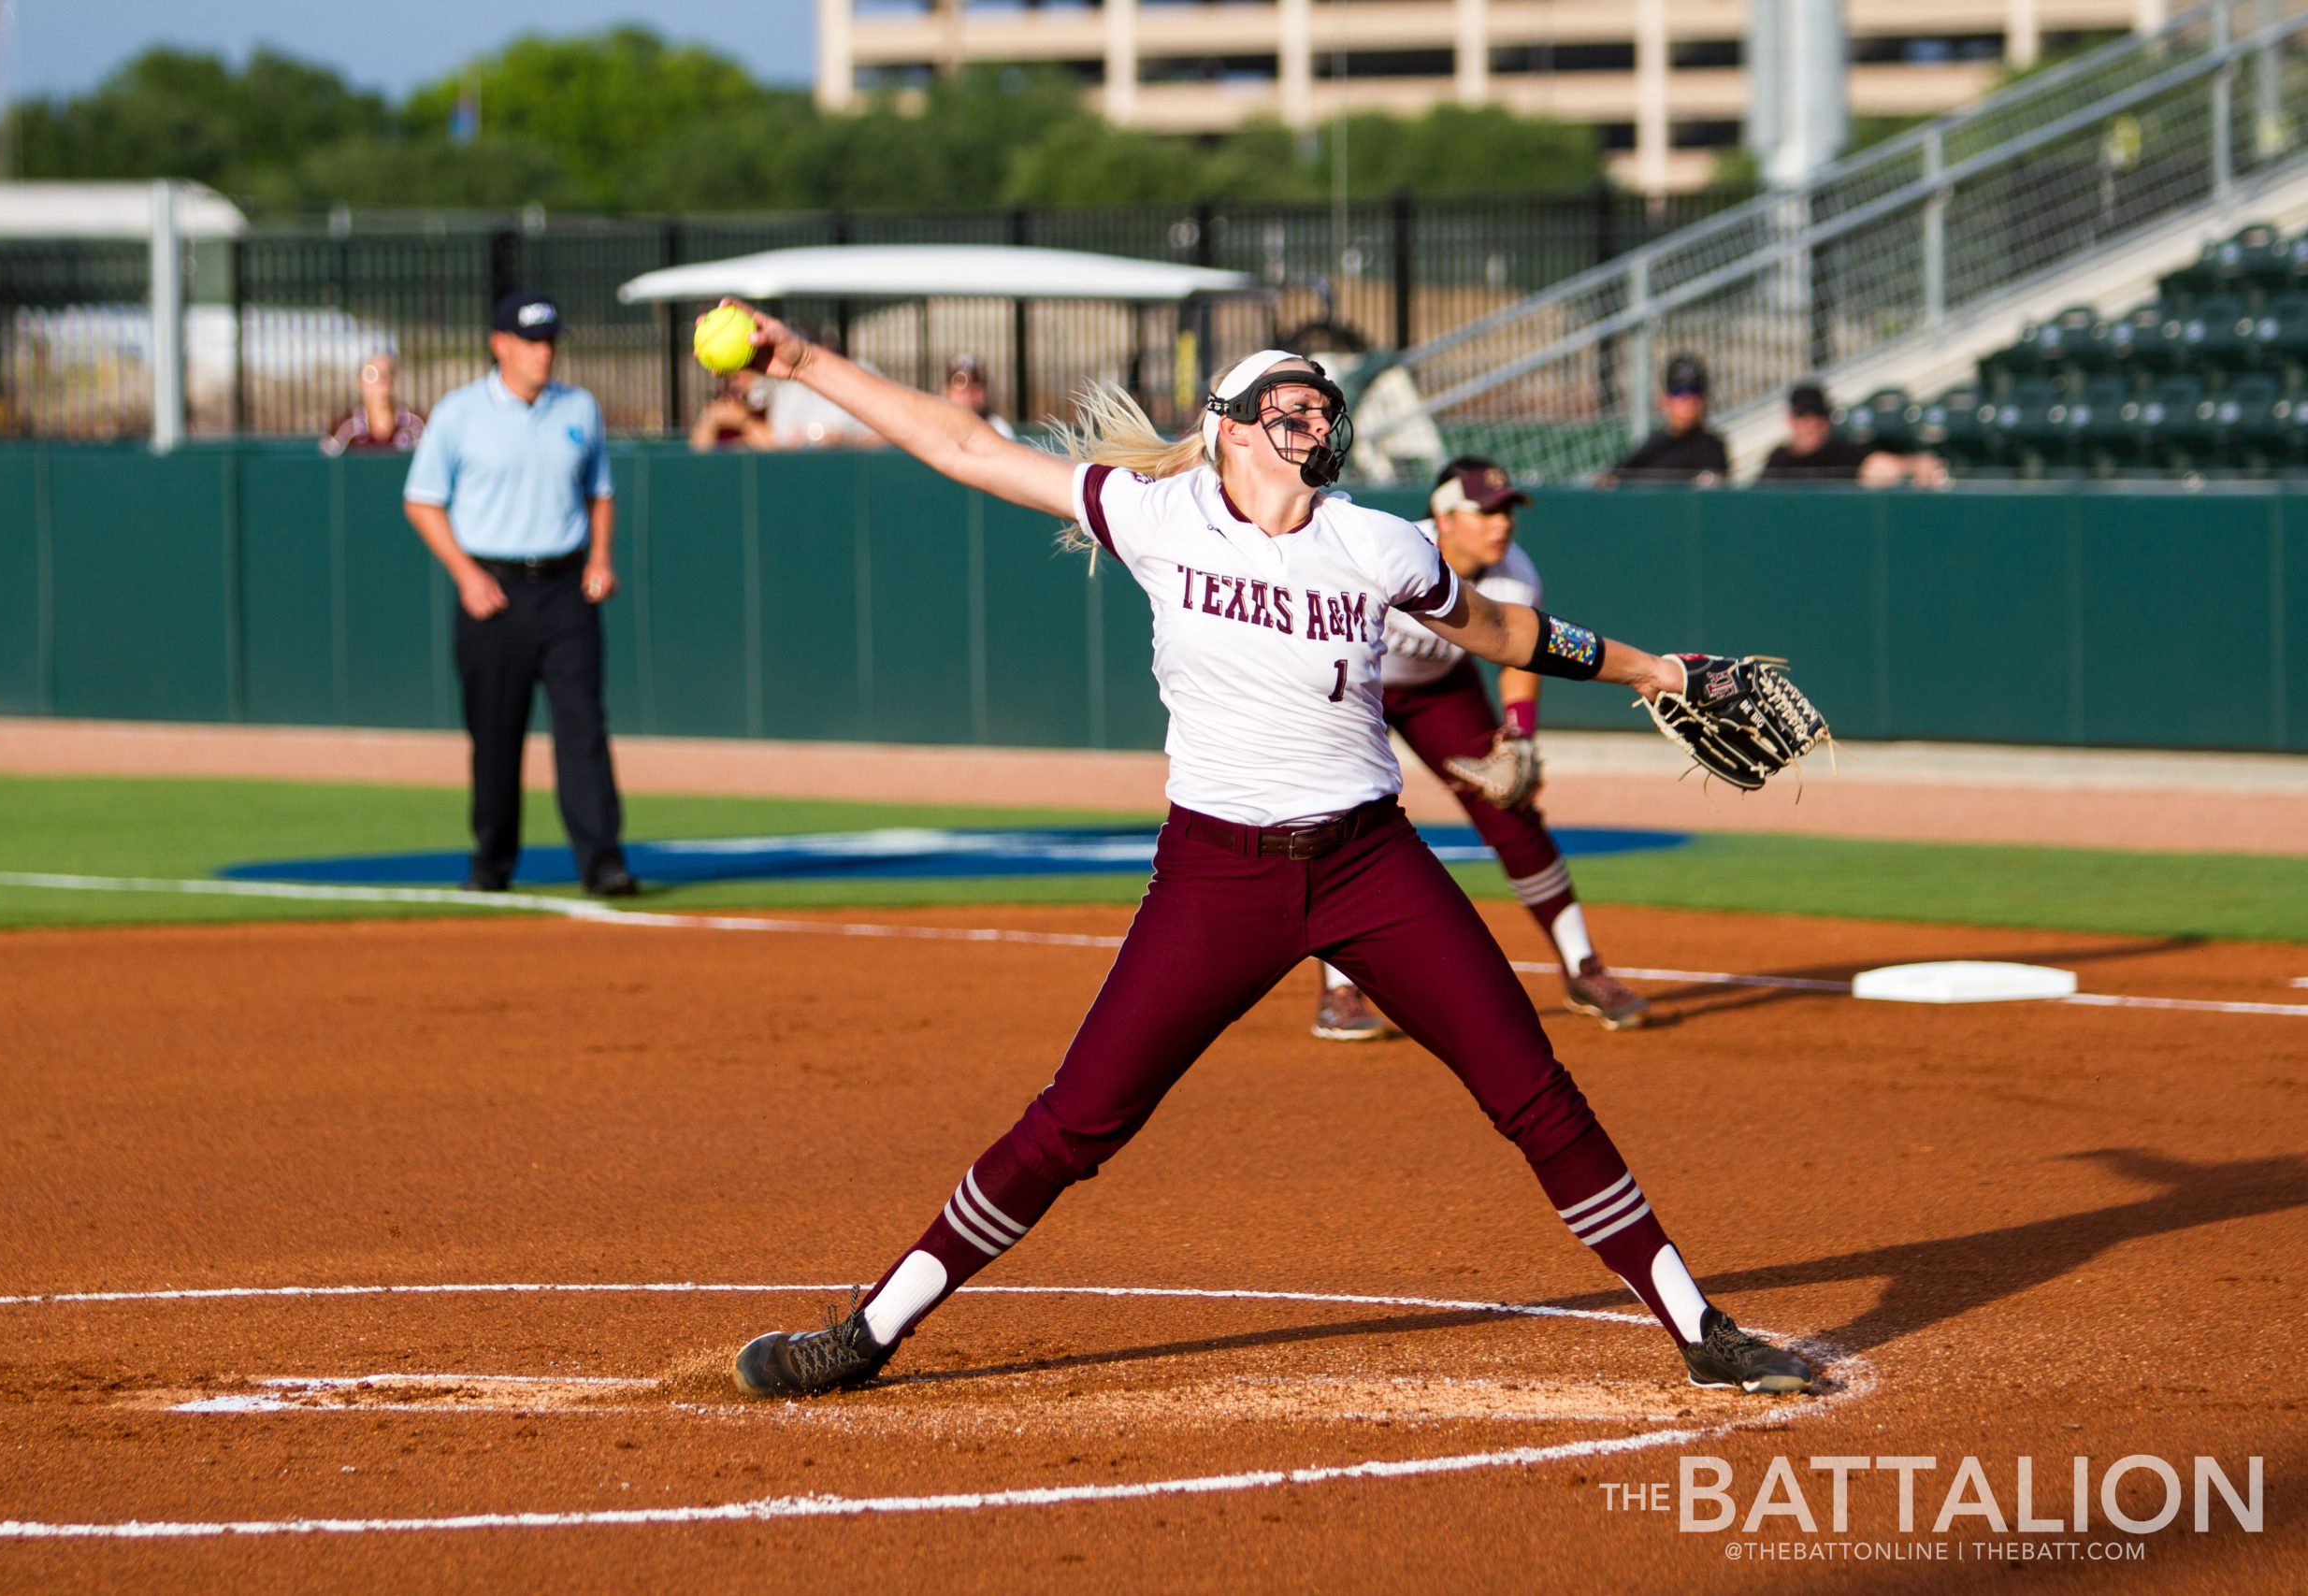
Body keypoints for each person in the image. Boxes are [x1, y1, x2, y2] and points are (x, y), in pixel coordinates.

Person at [714, 300, 1816, 1402]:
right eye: (1287, 403)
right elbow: (964, 446)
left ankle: (1698, 1326)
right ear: (1230, 426)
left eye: (1321, 406)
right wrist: (803, 360)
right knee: (1076, 1121)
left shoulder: (1374, 542)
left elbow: (1501, 631)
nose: (1313, 418)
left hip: (1369, 866)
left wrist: (1659, 671)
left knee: (1533, 1093)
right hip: (1215, 876)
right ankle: (865, 1334)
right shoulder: (1155, 514)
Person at [1312, 456, 1648, 1042]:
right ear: (1443, 516)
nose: (1501, 524)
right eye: (1485, 511)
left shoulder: (1514, 574)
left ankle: (1582, 967)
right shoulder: (1394, 550)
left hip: (1441, 689)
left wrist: (1518, 734)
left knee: (1512, 812)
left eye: (1506, 510)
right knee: (1336, 818)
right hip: (1358, 685)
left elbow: (1520, 653)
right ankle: (1340, 990)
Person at [402, 292, 637, 899]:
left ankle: (603, 858)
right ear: (500, 344)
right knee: (496, 733)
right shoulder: (459, 413)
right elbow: (422, 499)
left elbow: (600, 490)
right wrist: (465, 573)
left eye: (550, 340)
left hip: (564, 586)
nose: (544, 352)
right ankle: (492, 859)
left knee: (583, 726)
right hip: (494, 591)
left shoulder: (578, 406)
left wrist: (601, 558)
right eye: (532, 341)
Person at [1757, 381, 1949, 486]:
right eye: (1803, 415)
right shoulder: (1778, 460)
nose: (1811, 423)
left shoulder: (1843, 452)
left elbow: (1882, 465)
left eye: (1818, 414)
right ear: (1791, 419)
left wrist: (1917, 465)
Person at [1604, 354, 1729, 484]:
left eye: (1695, 391)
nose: (1688, 400)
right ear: (1665, 399)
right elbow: (1614, 478)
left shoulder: (1711, 447)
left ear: (1703, 399)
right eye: (1679, 392)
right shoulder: (1655, 444)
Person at [321, 352, 425, 455]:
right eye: (372, 374)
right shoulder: (345, 426)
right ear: (360, 382)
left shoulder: (415, 424)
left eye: (387, 374)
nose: (380, 381)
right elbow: (328, 460)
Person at [687, 370, 774, 453]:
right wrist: (711, 421)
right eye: (733, 376)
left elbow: (775, 446)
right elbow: (698, 451)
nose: (737, 380)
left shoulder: (772, 399)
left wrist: (745, 422)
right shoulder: (722, 402)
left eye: (745, 372)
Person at [943, 353, 1017, 439]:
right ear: (947, 390)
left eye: (975, 389)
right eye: (962, 391)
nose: (968, 396)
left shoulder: (998, 429)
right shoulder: (935, 425)